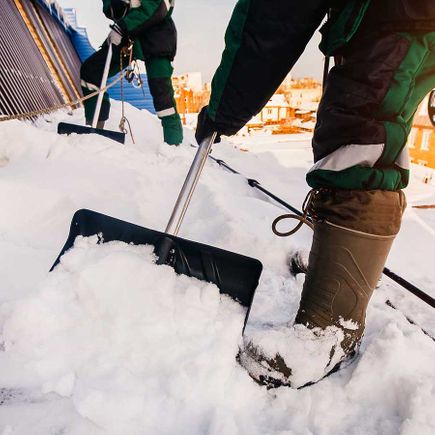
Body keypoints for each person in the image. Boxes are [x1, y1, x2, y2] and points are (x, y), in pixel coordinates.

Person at [195, 0, 435, 388]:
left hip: (399, 16)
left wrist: (225, 109)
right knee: (356, 130)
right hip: (392, 17)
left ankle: (334, 328)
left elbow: (269, 19)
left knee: (362, 141)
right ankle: (339, 270)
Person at [80, 0, 183, 146]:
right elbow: (111, 10)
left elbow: (157, 7)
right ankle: (95, 130)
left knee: (162, 95)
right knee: (91, 71)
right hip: (129, 38)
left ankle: (174, 144)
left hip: (156, 36)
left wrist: (122, 27)